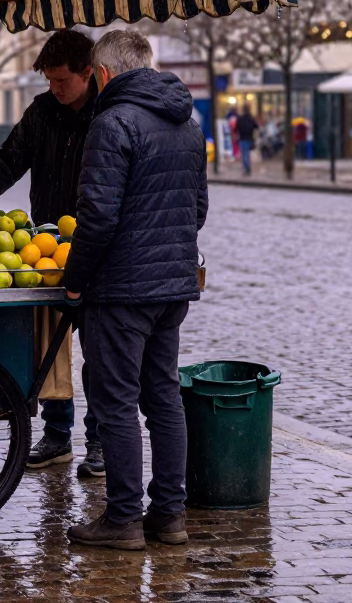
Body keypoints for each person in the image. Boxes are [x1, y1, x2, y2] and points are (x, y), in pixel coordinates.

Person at [63, 29, 208, 551]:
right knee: (163, 397)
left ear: (102, 75)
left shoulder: (112, 123)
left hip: (121, 290)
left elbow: (96, 219)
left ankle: (123, 519)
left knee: (117, 401)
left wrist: (74, 282)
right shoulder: (188, 125)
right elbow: (198, 212)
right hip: (172, 286)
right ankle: (170, 516)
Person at [0, 30, 103, 478]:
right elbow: (8, 159)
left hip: (94, 247)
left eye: (61, 81)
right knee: (49, 347)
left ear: (87, 73)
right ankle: (57, 435)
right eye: (50, 80)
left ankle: (100, 441)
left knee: (99, 351)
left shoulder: (107, 115)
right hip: (44, 249)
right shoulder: (42, 113)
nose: (54, 89)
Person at [235, 105, 259, 176]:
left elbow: (236, 128)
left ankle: (246, 167)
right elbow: (256, 126)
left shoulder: (240, 119)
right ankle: (247, 167)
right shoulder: (250, 118)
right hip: (249, 138)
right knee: (247, 154)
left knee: (244, 153)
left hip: (242, 138)